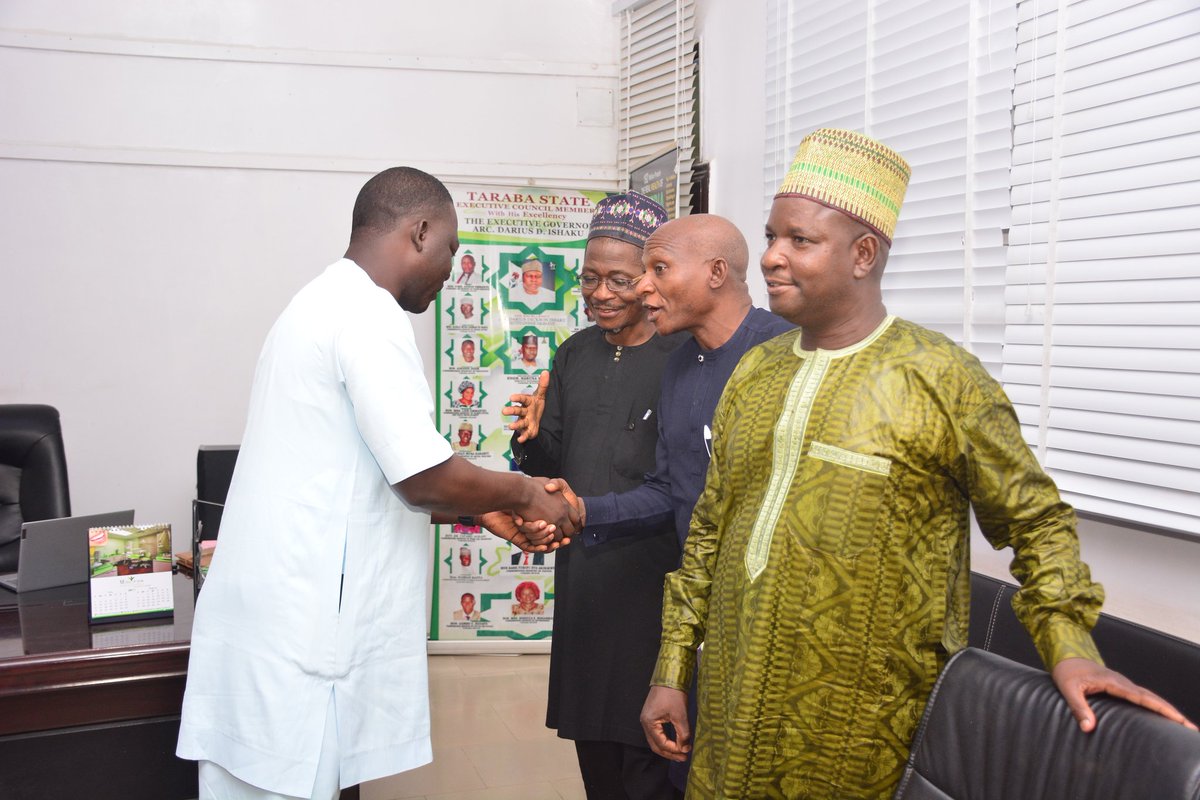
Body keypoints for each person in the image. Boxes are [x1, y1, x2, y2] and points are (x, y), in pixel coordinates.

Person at [638, 128, 1194, 799]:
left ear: (863, 254)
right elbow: (709, 535)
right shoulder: (756, 372)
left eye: (800, 241)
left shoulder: (940, 378)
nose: (773, 258)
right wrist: (672, 667)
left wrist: (1068, 645)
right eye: (771, 237)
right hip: (731, 708)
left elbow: (1036, 520)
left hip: (865, 730)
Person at [176, 166, 579, 800]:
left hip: (277, 621)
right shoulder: (367, 316)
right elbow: (421, 476)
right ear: (419, 232)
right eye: (450, 247)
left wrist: (478, 512)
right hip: (303, 635)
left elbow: (362, 475)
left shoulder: (318, 302)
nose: (452, 270)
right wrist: (525, 494)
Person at [514, 212, 793, 794]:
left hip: (684, 591)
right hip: (613, 580)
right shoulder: (626, 360)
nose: (619, 290)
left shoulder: (765, 352)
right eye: (593, 278)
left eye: (643, 273)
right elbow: (670, 486)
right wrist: (536, 451)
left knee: (667, 764)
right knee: (611, 751)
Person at [496, 192, 685, 800]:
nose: (601, 293)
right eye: (590, 278)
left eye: (619, 280)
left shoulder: (682, 358)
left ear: (652, 278)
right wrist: (528, 441)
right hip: (585, 582)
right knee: (595, 753)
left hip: (653, 580)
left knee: (649, 759)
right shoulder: (574, 353)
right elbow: (554, 463)